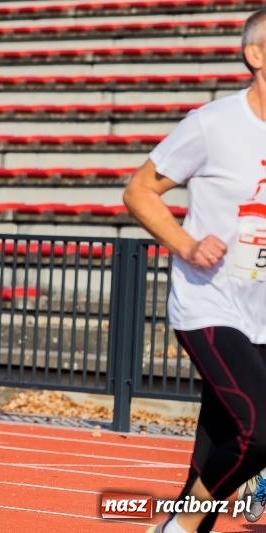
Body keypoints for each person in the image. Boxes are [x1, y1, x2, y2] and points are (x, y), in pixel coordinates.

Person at [123, 9, 266, 533]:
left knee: (222, 436)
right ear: (255, 55)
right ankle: (181, 525)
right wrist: (185, 243)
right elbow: (139, 190)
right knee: (261, 431)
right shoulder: (213, 124)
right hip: (209, 303)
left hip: (263, 311)